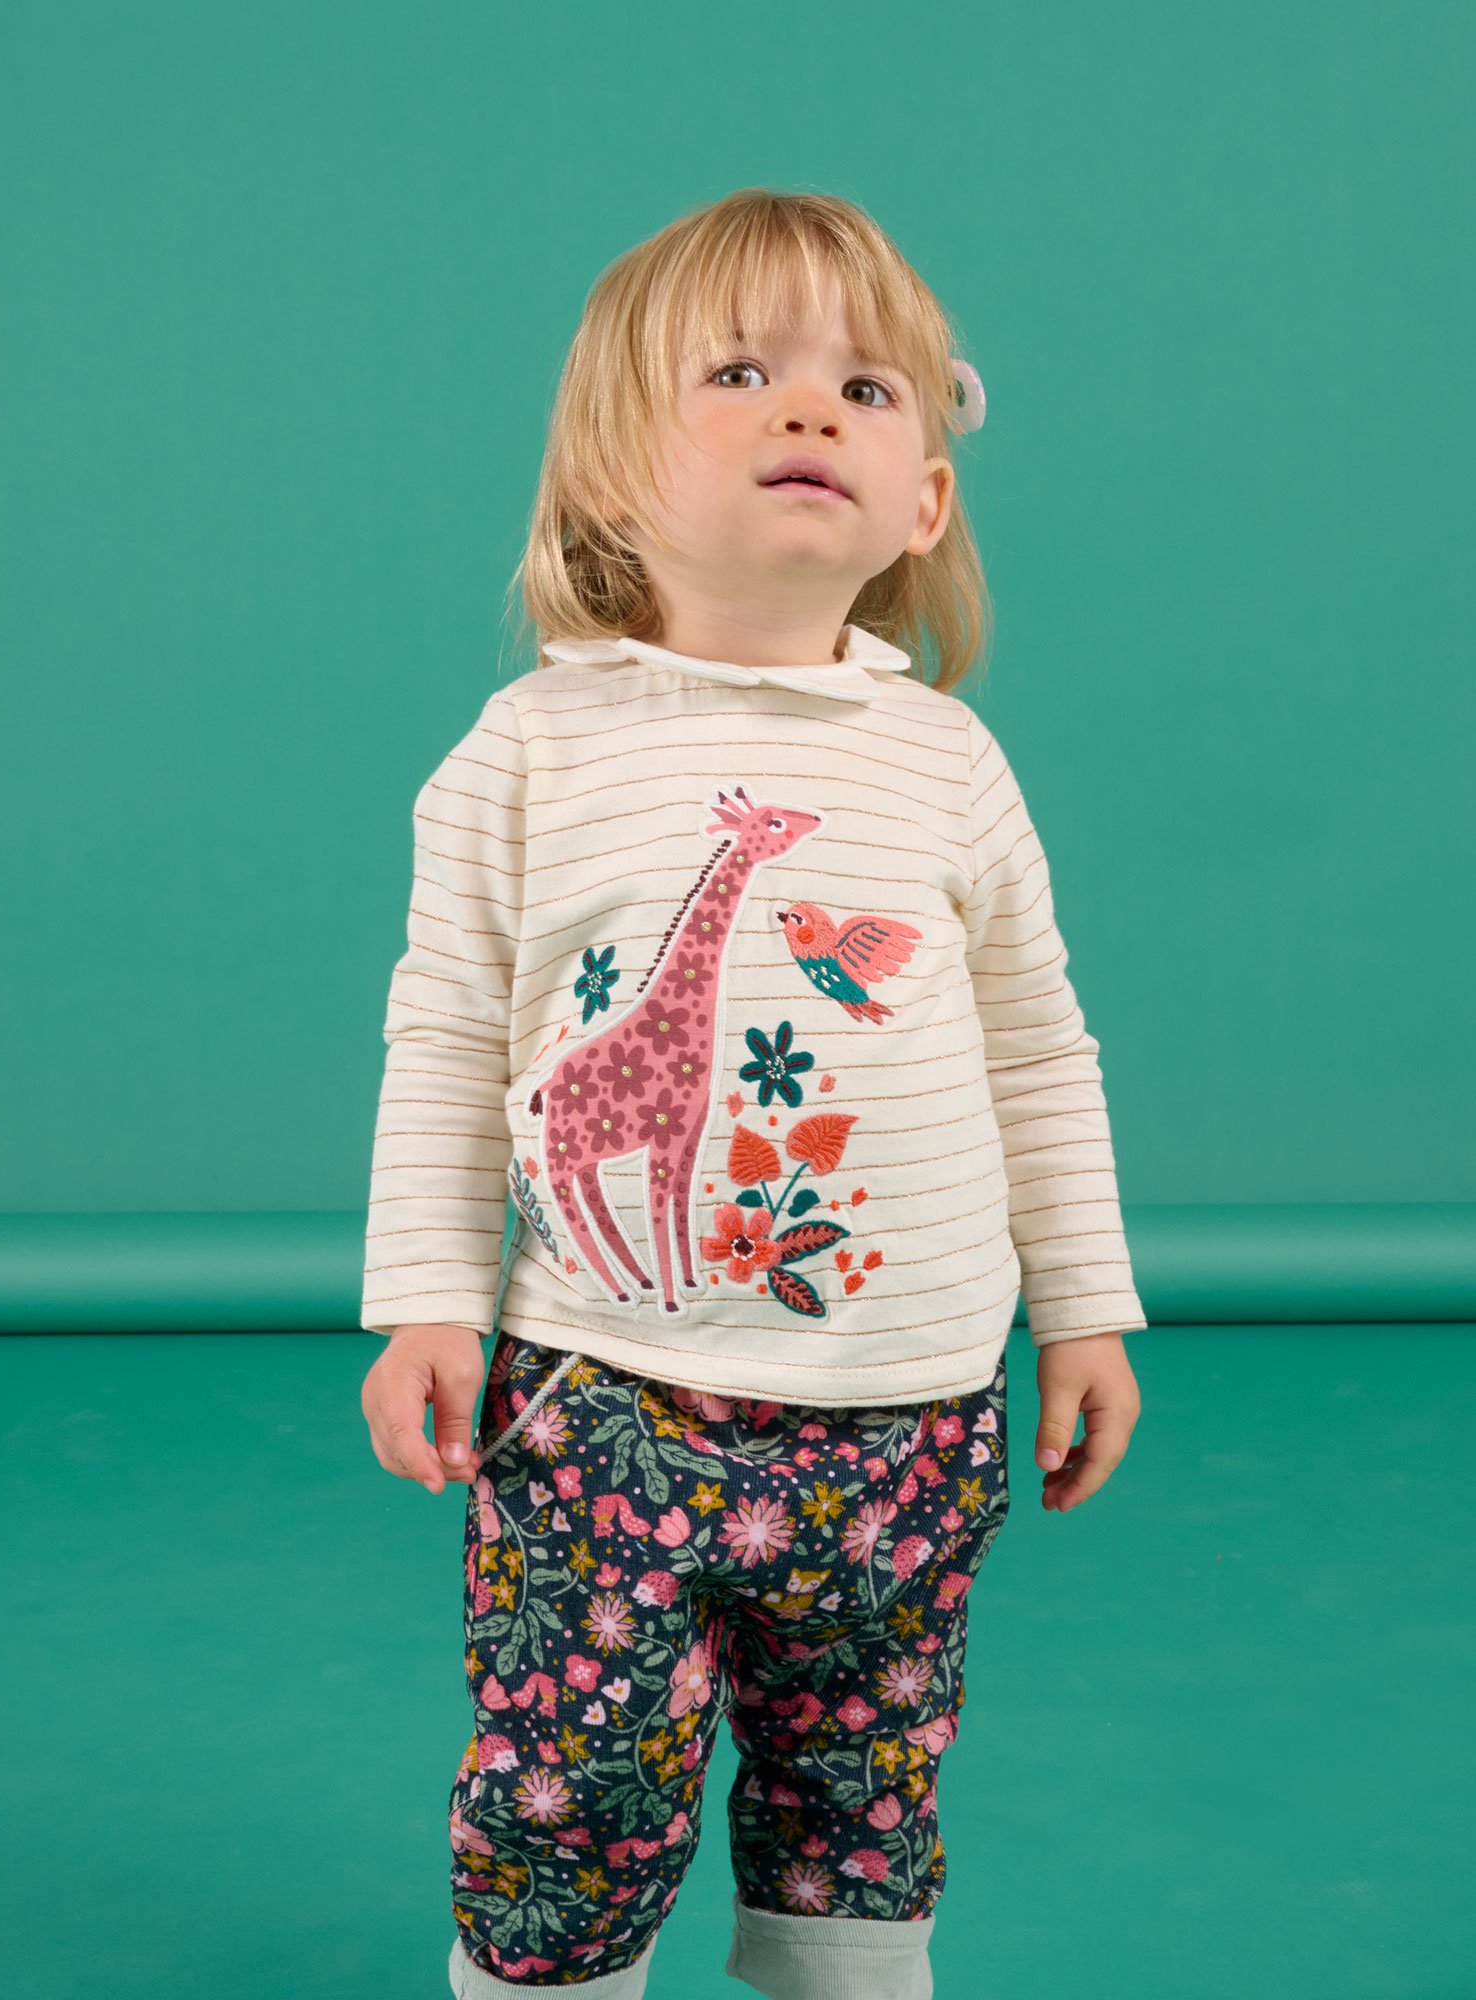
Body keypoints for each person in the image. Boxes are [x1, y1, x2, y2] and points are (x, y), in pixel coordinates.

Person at [358, 187, 1146, 2000]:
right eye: (740, 373)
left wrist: (1086, 1304)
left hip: (909, 1415)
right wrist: (425, 1296)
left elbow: (1038, 1045)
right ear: (611, 475)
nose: (810, 409)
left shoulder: (948, 762)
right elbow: (450, 1030)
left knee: (865, 1792)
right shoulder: (532, 749)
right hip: (606, 1408)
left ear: (922, 499)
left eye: (867, 389)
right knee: (571, 1797)